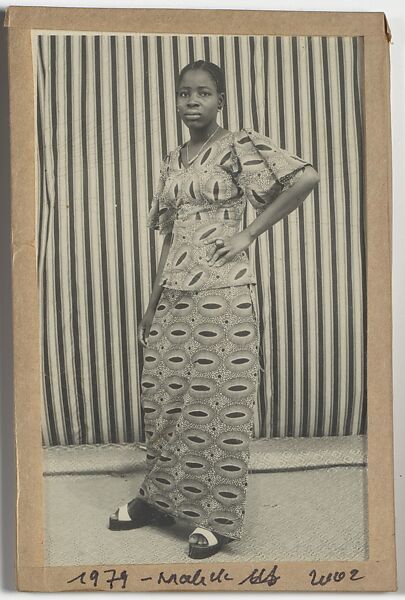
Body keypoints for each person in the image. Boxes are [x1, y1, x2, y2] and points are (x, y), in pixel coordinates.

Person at [109, 60, 319, 559]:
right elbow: (170, 236)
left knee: (221, 407)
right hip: (174, 296)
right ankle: (159, 500)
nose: (192, 101)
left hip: (224, 295)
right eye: (184, 93)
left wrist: (247, 232)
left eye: (203, 93)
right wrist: (153, 299)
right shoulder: (173, 159)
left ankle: (216, 520)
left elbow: (306, 178)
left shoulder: (238, 145)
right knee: (163, 403)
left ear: (220, 99)